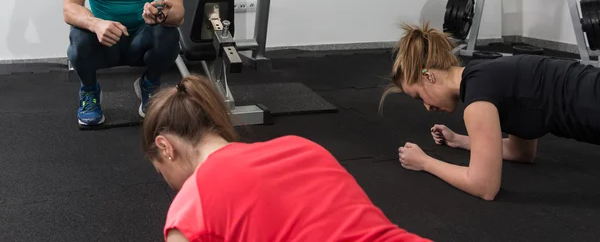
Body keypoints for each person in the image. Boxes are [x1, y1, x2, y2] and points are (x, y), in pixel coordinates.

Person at [142, 74, 432, 242]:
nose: (170, 183)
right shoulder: (302, 146)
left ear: (165, 147)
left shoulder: (189, 208)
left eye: (160, 170)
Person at [381, 22, 600, 201]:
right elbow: (521, 152)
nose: (427, 107)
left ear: (429, 76)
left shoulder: (478, 99)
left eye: (420, 96)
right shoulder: (487, 75)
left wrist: (425, 162)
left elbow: (484, 187)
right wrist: (460, 141)